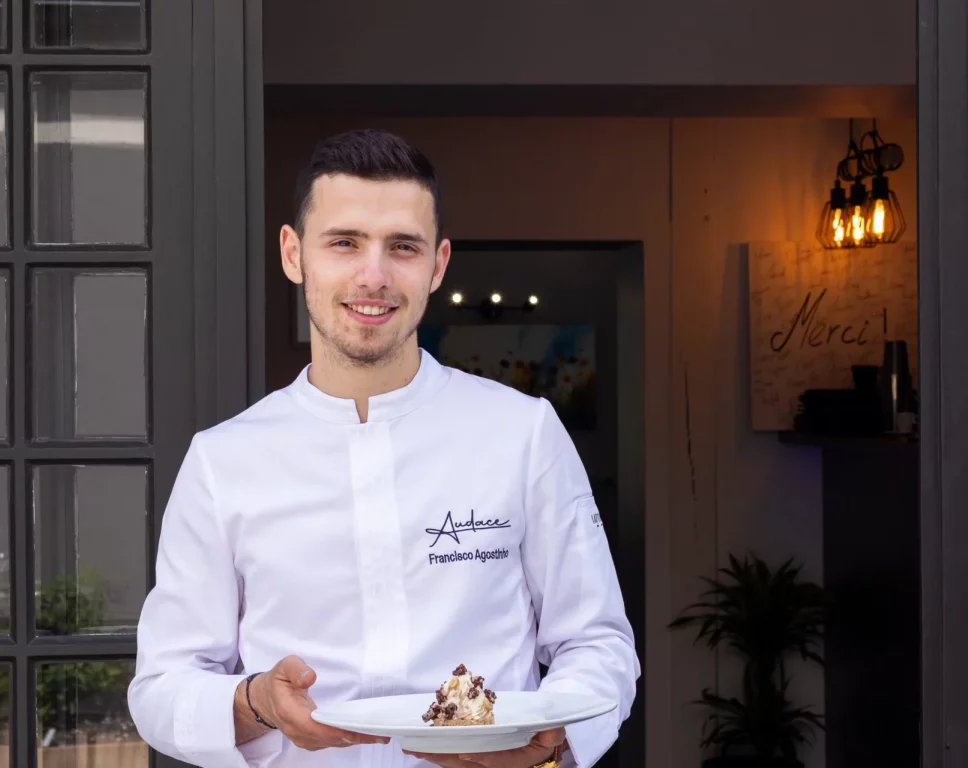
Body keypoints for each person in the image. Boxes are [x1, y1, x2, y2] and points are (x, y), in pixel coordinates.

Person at [127, 128, 640, 768]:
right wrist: (256, 700)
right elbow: (162, 687)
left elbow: (598, 645)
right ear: (294, 254)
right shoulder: (222, 461)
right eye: (344, 242)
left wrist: (548, 744)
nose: (374, 276)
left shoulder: (523, 432)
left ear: (438, 263)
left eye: (402, 246)